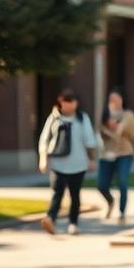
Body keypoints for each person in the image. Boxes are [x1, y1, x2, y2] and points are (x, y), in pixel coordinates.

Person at [36, 89, 97, 235]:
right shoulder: (54, 118)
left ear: (76, 103)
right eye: (65, 102)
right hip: (58, 164)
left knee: (75, 194)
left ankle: (73, 223)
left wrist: (92, 160)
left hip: (78, 164)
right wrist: (43, 159)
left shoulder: (82, 118)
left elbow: (89, 141)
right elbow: (44, 139)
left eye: (71, 102)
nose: (68, 105)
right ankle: (50, 219)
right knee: (57, 192)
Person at [96, 88, 134, 223]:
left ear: (122, 99)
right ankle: (110, 201)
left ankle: (122, 211)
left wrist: (120, 129)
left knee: (122, 181)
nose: (114, 101)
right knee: (102, 185)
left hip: (125, 153)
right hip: (106, 155)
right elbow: (98, 133)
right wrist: (107, 128)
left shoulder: (128, 115)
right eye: (111, 99)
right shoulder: (104, 116)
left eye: (117, 98)